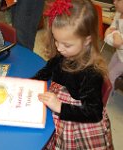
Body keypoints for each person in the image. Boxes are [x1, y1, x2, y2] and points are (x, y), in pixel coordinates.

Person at [32, 0, 114, 149]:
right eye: (56, 41)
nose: (59, 48)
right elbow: (49, 69)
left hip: (78, 121)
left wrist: (60, 107)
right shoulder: (64, 53)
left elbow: (94, 112)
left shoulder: (91, 73)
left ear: (87, 41)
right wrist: (30, 82)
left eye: (66, 45)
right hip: (60, 102)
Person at [104, 0, 123, 92]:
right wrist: (116, 34)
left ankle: (105, 99)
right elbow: (109, 35)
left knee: (111, 77)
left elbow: (119, 43)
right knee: (107, 72)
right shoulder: (118, 13)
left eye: (118, 0)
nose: (114, 2)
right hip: (119, 53)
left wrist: (112, 33)